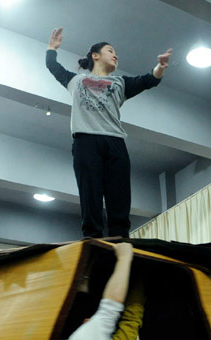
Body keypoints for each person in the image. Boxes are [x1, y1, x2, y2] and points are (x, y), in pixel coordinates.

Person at [45, 27, 172, 238]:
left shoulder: (120, 83)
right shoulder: (75, 81)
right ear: (95, 55)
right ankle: (92, 237)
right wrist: (52, 48)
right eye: (110, 50)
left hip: (115, 142)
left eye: (116, 53)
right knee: (90, 192)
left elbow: (148, 80)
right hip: (86, 141)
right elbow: (52, 66)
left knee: (119, 195)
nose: (115, 55)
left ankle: (120, 239)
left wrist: (160, 66)